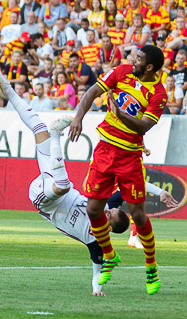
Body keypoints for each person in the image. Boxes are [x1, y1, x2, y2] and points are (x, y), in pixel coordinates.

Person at [0, 65, 177, 294]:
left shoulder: (95, 241)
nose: (106, 212)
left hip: (45, 201)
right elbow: (122, 191)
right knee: (38, 127)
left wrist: (97, 289)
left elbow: (97, 268)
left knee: (63, 186)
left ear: (109, 229)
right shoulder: (105, 209)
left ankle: (56, 136)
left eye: (108, 216)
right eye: (111, 211)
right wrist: (159, 192)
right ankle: (7, 87)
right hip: (53, 180)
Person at [67, 44, 168, 294]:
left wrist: (120, 114)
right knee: (93, 209)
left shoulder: (159, 94)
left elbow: (143, 126)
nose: (133, 60)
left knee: (138, 214)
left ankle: (151, 265)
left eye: (139, 58)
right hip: (104, 149)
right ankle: (110, 255)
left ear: (150, 67)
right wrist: (78, 117)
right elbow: (92, 92)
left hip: (130, 157)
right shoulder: (122, 72)